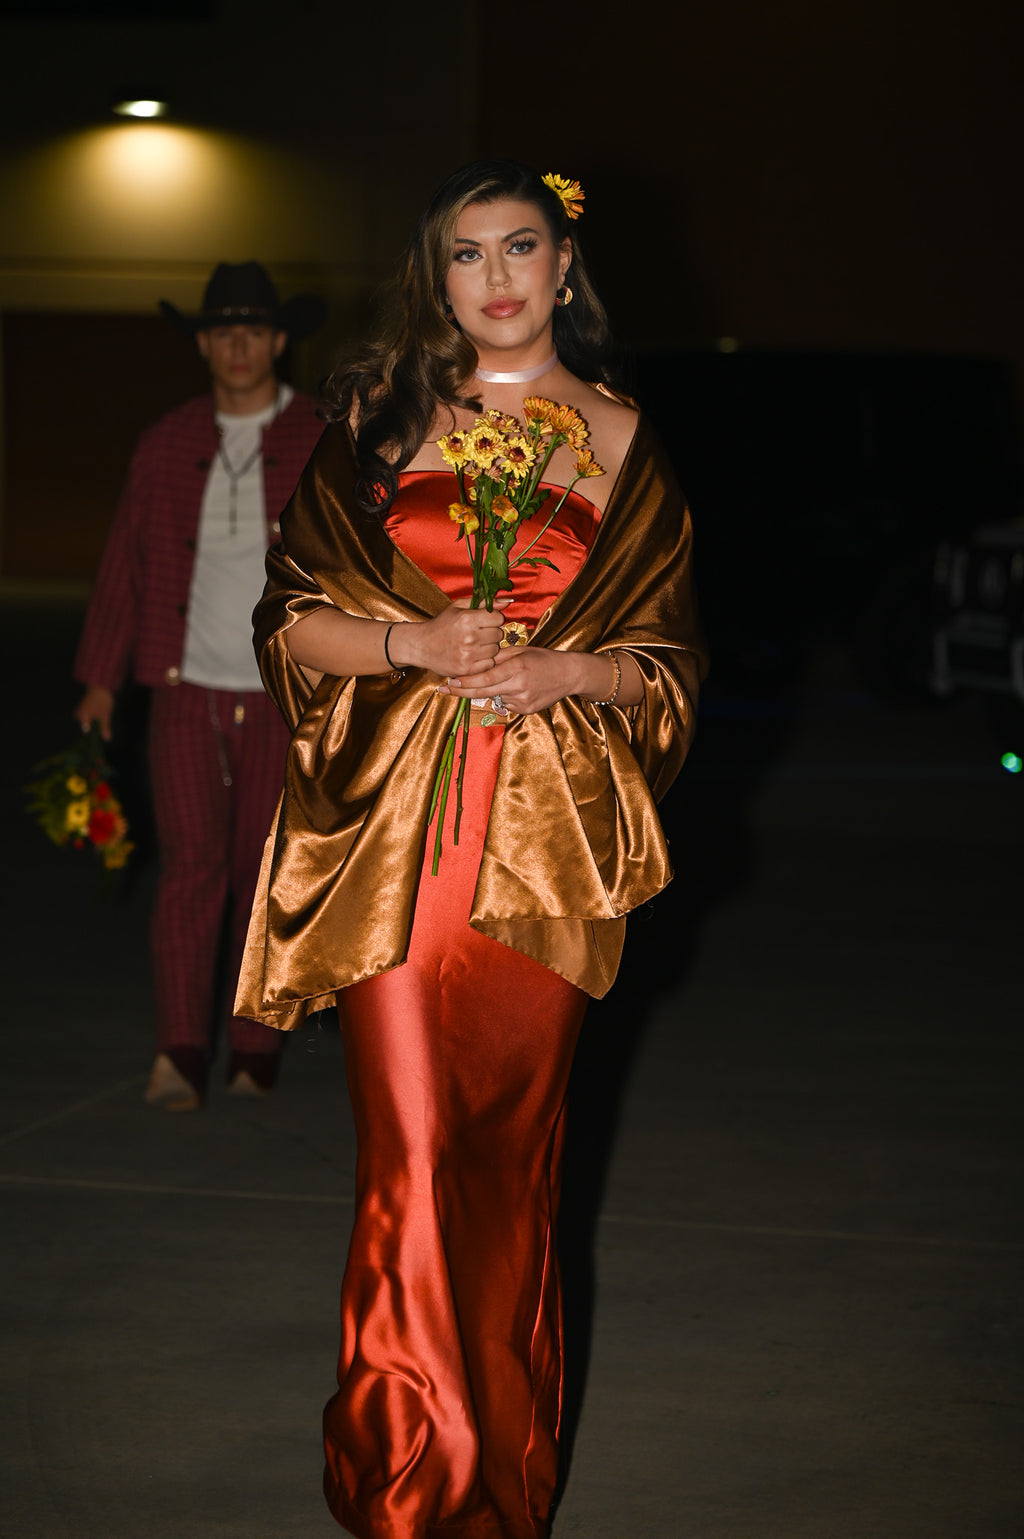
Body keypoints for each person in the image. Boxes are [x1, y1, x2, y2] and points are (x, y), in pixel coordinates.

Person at [235, 160, 707, 1538]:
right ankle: (406, 1487)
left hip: (542, 850)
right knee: (412, 1155)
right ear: (432, 277)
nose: (494, 277)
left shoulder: (621, 438)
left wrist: (572, 674)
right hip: (402, 847)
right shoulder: (382, 422)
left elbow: (667, 672)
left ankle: (504, 1480)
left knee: (511, 1163)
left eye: (519, 247)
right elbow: (290, 622)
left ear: (566, 266)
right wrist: (414, 643)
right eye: (463, 254)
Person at [73, 261, 326, 1112]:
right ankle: (179, 1049)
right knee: (189, 867)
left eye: (255, 329)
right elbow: (126, 564)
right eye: (223, 331)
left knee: (264, 869)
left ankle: (254, 1045)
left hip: (284, 693)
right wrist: (100, 680)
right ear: (205, 345)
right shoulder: (167, 440)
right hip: (184, 688)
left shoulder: (321, 436)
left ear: (280, 340)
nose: (239, 345)